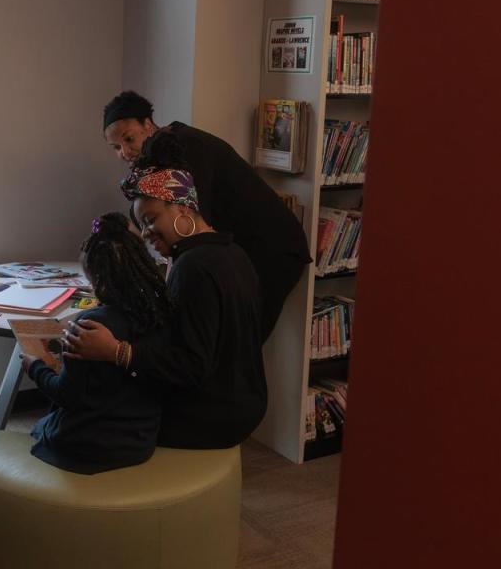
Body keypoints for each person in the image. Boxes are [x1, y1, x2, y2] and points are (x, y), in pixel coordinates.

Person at [64, 166, 266, 449]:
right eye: (142, 225)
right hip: (247, 403)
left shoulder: (194, 267)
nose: (146, 233)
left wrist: (116, 352)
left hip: (212, 417)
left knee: (101, 406)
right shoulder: (234, 253)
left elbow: (192, 366)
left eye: (150, 219)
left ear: (182, 208)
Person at [102, 90, 311, 340]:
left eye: (128, 139)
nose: (124, 152)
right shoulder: (155, 161)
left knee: (239, 342)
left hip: (272, 249)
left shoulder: (186, 148)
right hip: (237, 250)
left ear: (148, 124)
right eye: (116, 147)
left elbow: (192, 228)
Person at [22, 212, 169, 474]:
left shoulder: (90, 326)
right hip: (139, 439)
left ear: (98, 279)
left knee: (39, 427)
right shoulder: (157, 311)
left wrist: (37, 366)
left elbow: (67, 395)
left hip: (90, 447)